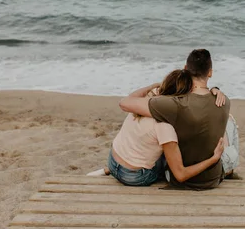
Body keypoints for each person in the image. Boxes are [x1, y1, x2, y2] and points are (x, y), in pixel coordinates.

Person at [120, 49, 238, 189]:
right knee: (229, 122)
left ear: (186, 69)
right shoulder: (225, 102)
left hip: (181, 178)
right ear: (210, 73)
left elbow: (125, 103)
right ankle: (231, 169)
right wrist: (215, 89)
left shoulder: (174, 104)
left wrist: (152, 86)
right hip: (214, 178)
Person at [88, 69, 225, 186]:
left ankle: (108, 170)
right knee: (172, 157)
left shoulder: (145, 101)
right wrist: (213, 159)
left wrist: (152, 86)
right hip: (134, 176)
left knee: (160, 146)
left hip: (113, 160)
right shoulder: (165, 126)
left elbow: (128, 99)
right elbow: (180, 175)